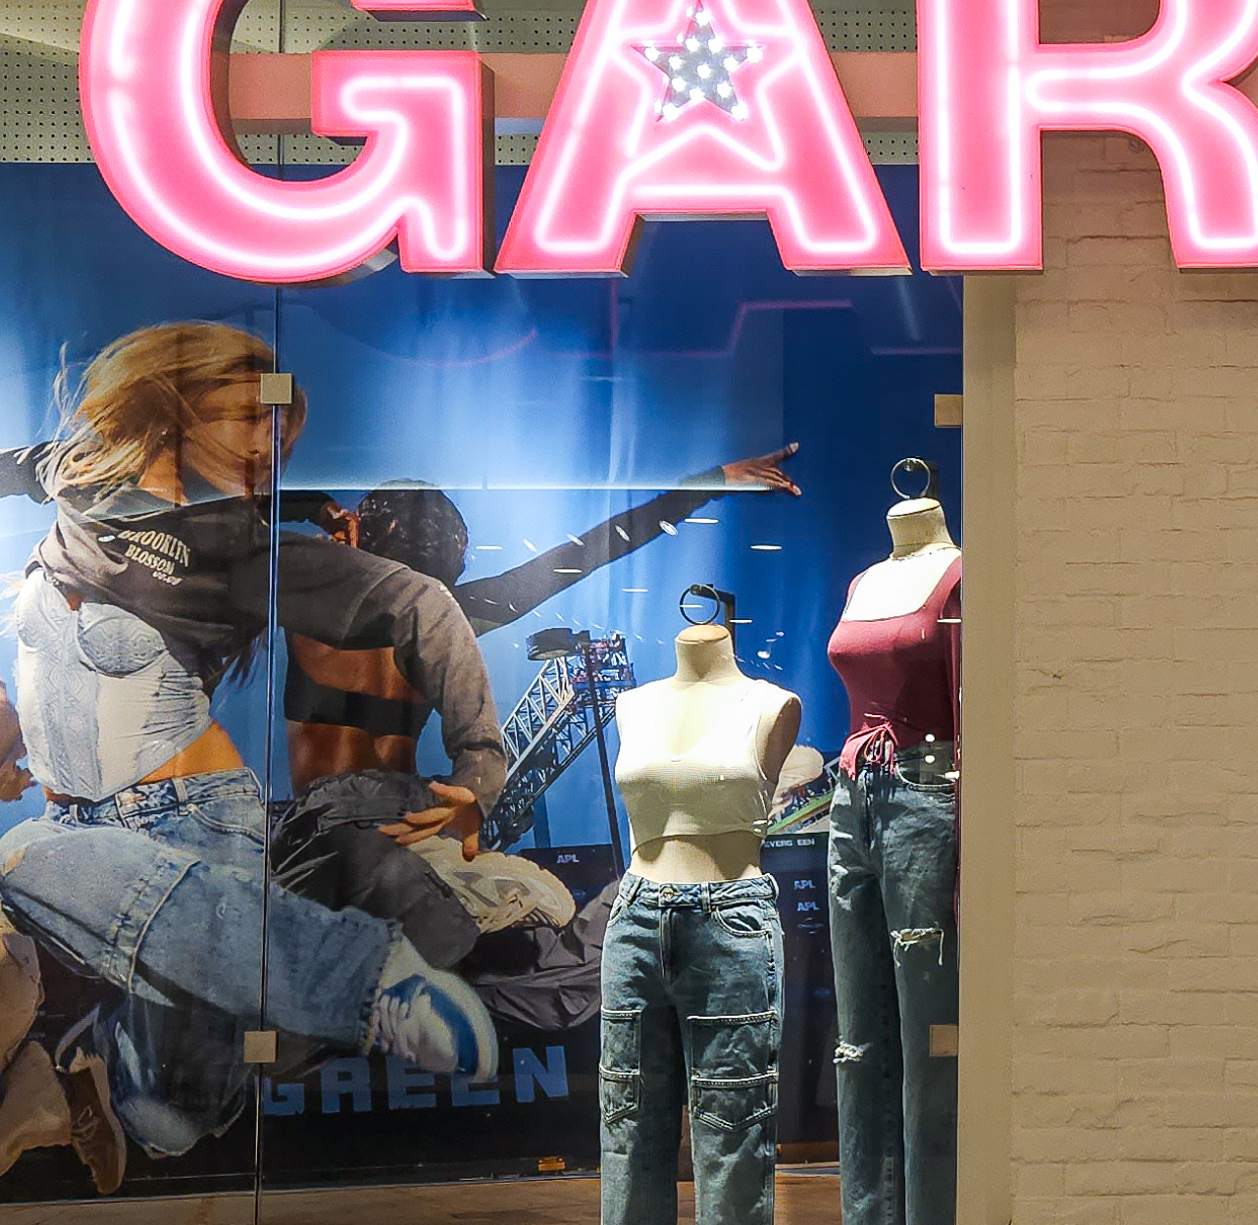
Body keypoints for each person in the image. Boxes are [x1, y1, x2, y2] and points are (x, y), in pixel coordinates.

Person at [0, 322, 505, 1176]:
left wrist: (479, 768)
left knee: (170, 1119)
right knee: (22, 859)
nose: (271, 449)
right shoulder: (75, 476)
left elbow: (423, 604)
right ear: (180, 401)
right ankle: (358, 982)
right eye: (253, 420)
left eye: (285, 437)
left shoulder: (244, 553)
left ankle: (123, 1051)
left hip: (188, 823)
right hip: (74, 829)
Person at [269, 450, 802, 970]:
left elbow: (237, 526)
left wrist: (320, 512)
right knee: (548, 917)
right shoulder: (444, 614)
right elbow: (589, 551)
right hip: (411, 823)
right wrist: (709, 483)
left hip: (329, 823)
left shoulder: (305, 598)